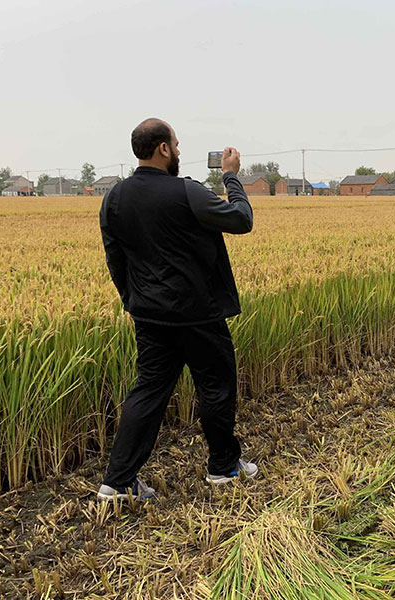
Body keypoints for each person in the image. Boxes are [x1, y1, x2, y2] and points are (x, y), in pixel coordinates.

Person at [97, 118, 256, 501]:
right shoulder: (187, 192)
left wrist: (131, 301)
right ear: (163, 148)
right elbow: (241, 220)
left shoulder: (114, 198)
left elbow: (115, 258)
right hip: (198, 315)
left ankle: (117, 482)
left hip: (150, 316)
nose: (180, 152)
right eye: (177, 145)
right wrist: (231, 178)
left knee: (148, 391)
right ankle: (223, 468)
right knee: (216, 386)